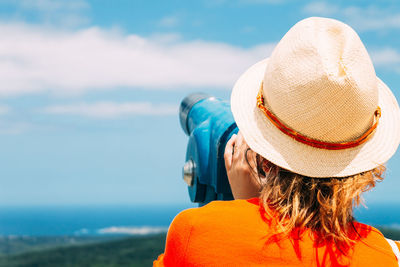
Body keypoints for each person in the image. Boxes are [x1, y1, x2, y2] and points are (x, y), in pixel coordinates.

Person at [154, 17, 400, 266]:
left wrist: (248, 209)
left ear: (262, 156)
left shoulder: (194, 235)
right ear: (364, 164)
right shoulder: (390, 256)